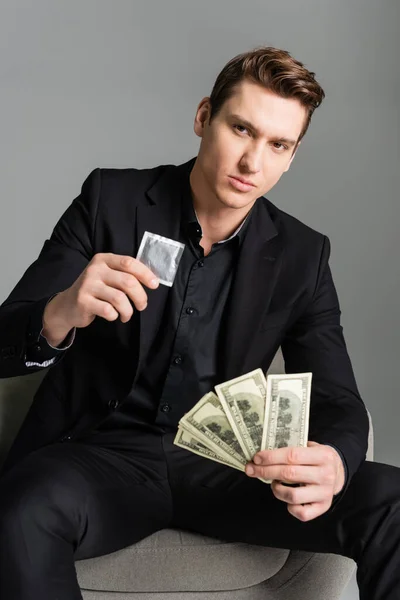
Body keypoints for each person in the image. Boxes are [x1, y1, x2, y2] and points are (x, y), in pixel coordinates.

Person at [0, 46, 398, 600]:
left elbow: (339, 398)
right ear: (203, 117)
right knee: (24, 505)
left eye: (277, 145)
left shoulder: (304, 255)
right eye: (241, 129)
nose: (252, 163)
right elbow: (3, 341)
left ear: (292, 156)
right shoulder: (109, 200)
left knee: (394, 501)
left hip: (233, 469)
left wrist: (334, 458)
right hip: (102, 457)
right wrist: (61, 309)